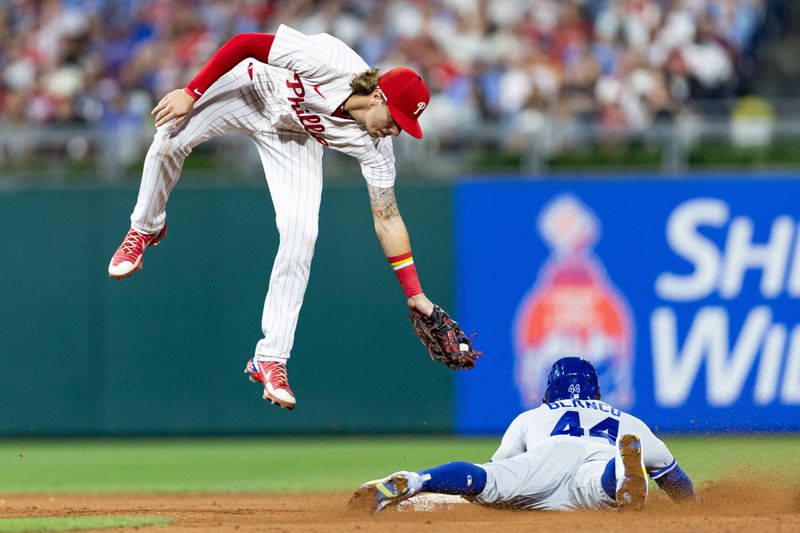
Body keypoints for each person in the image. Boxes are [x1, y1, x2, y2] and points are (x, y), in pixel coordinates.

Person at [107, 26, 439, 411]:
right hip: (252, 90)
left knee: (302, 235)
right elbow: (246, 44)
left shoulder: (377, 146)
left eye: (404, 126)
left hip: (293, 138)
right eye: (396, 118)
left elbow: (388, 218)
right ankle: (145, 229)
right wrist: (191, 92)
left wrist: (415, 294)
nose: (397, 130)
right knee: (169, 136)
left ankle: (271, 359)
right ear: (378, 94)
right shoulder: (331, 63)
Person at [350, 357, 695, 512]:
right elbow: (676, 479)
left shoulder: (534, 416)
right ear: (597, 392)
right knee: (599, 489)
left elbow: (495, 467)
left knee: (486, 479)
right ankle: (620, 471)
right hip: (601, 454)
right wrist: (691, 509)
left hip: (546, 456)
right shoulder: (632, 422)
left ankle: (417, 479)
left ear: (551, 391)